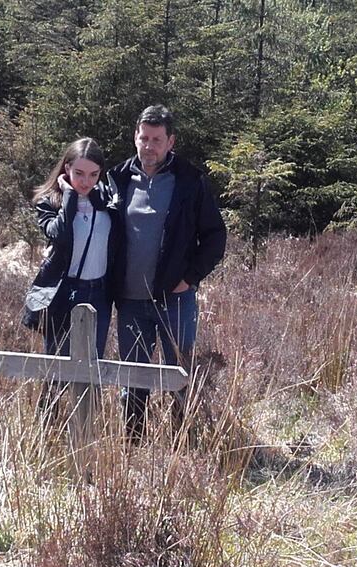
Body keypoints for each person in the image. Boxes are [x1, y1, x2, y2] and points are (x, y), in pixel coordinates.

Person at [107, 105, 226, 440]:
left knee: (179, 377)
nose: (149, 145)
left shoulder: (190, 181)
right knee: (134, 377)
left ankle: (182, 444)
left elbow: (215, 236)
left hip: (175, 301)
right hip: (130, 300)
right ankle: (133, 444)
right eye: (144, 138)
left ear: (170, 141)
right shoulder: (117, 178)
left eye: (157, 139)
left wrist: (189, 279)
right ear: (135, 137)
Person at [22, 137, 118, 361]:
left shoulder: (106, 199)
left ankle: (88, 399)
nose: (86, 181)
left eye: (94, 174)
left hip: (100, 293)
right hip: (66, 290)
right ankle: (51, 398)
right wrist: (69, 196)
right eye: (79, 173)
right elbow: (59, 233)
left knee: (92, 367)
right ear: (67, 169)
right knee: (58, 366)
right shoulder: (50, 202)